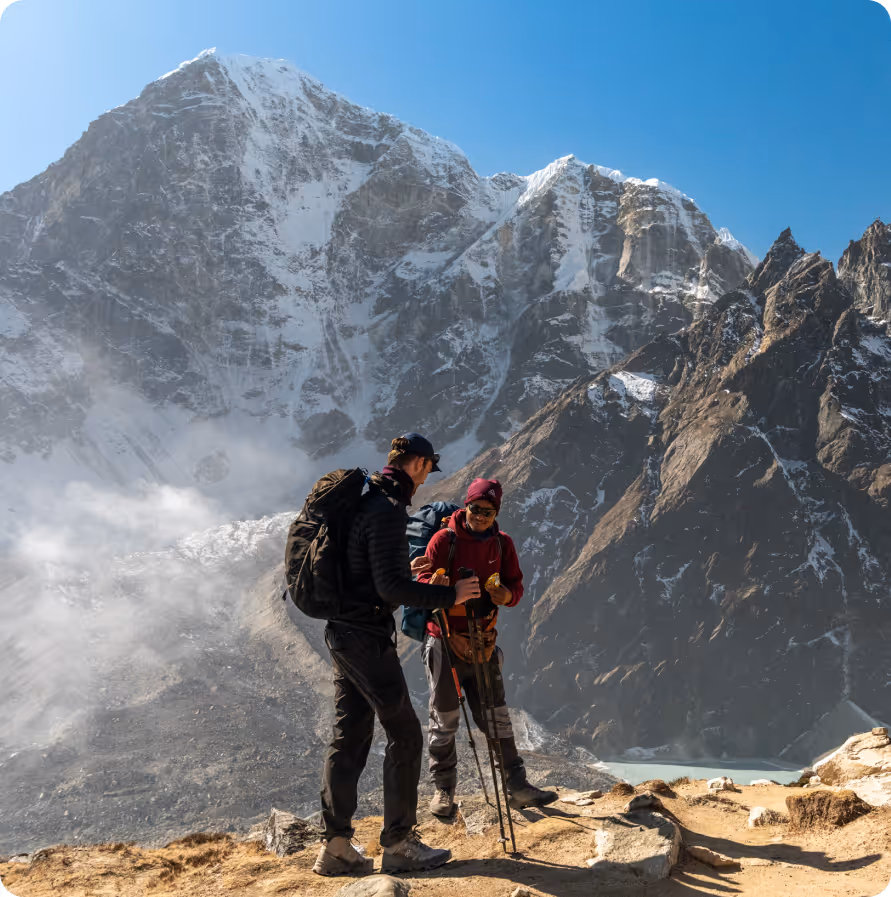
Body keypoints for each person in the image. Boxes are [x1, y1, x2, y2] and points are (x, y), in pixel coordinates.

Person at [313, 434, 481, 877]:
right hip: (367, 636)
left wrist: (409, 572)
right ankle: (400, 844)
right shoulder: (387, 511)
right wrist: (449, 593)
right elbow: (389, 590)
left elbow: (371, 573)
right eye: (429, 468)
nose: (427, 478)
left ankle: (335, 847)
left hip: (342, 633)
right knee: (404, 734)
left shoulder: (365, 500)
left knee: (349, 735)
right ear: (419, 464)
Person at [417, 478, 557, 817]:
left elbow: (516, 587)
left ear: (497, 512)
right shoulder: (444, 540)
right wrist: (440, 589)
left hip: (483, 643)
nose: (480, 516)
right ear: (466, 506)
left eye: (488, 511)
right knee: (445, 718)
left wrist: (506, 596)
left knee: (496, 715)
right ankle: (444, 791)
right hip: (445, 642)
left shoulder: (502, 544)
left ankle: (516, 784)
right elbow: (419, 583)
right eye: (476, 509)